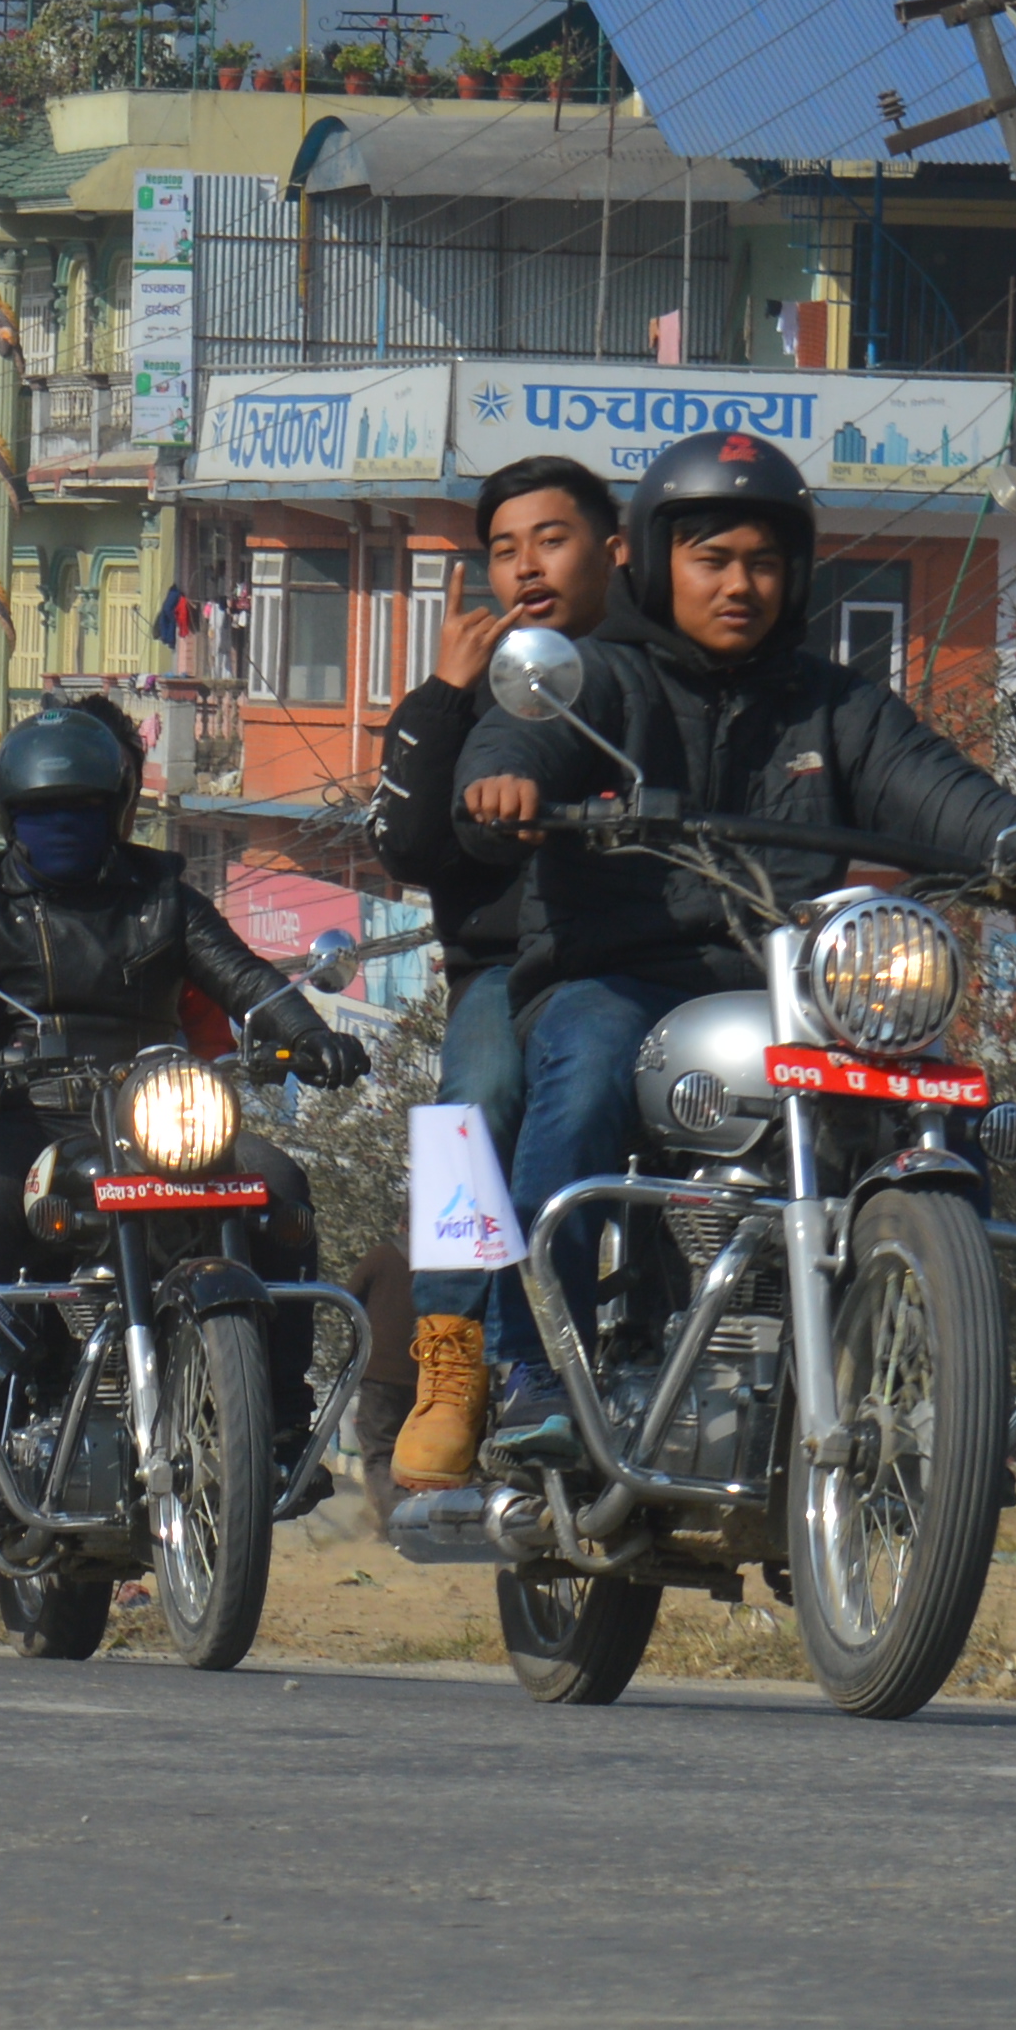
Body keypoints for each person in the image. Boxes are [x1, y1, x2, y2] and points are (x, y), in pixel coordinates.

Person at [454, 425, 1016, 1448]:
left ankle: (944, 1379)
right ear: (649, 557)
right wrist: (503, 777)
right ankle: (519, 1365)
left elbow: (946, 799)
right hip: (616, 975)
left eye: (764, 563)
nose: (740, 585)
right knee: (571, 1076)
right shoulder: (597, 680)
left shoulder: (837, 705)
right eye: (712, 559)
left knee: (938, 1105)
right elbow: (515, 737)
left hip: (798, 990)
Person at [0, 704, 364, 1512]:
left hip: (156, 1112)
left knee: (279, 1184)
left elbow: (241, 975)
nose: (64, 825)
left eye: (83, 809)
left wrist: (307, 1032)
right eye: (42, 813)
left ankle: (279, 1416)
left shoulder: (162, 891)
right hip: (28, 1111)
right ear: (9, 816)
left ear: (117, 807)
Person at [368, 457, 629, 1489]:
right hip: (500, 970)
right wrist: (439, 697)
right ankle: (452, 1365)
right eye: (503, 549)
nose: (525, 566)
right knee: (470, 1105)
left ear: (611, 549)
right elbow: (402, 843)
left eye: (551, 539)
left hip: (641, 957)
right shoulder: (470, 689)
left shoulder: (653, 666)